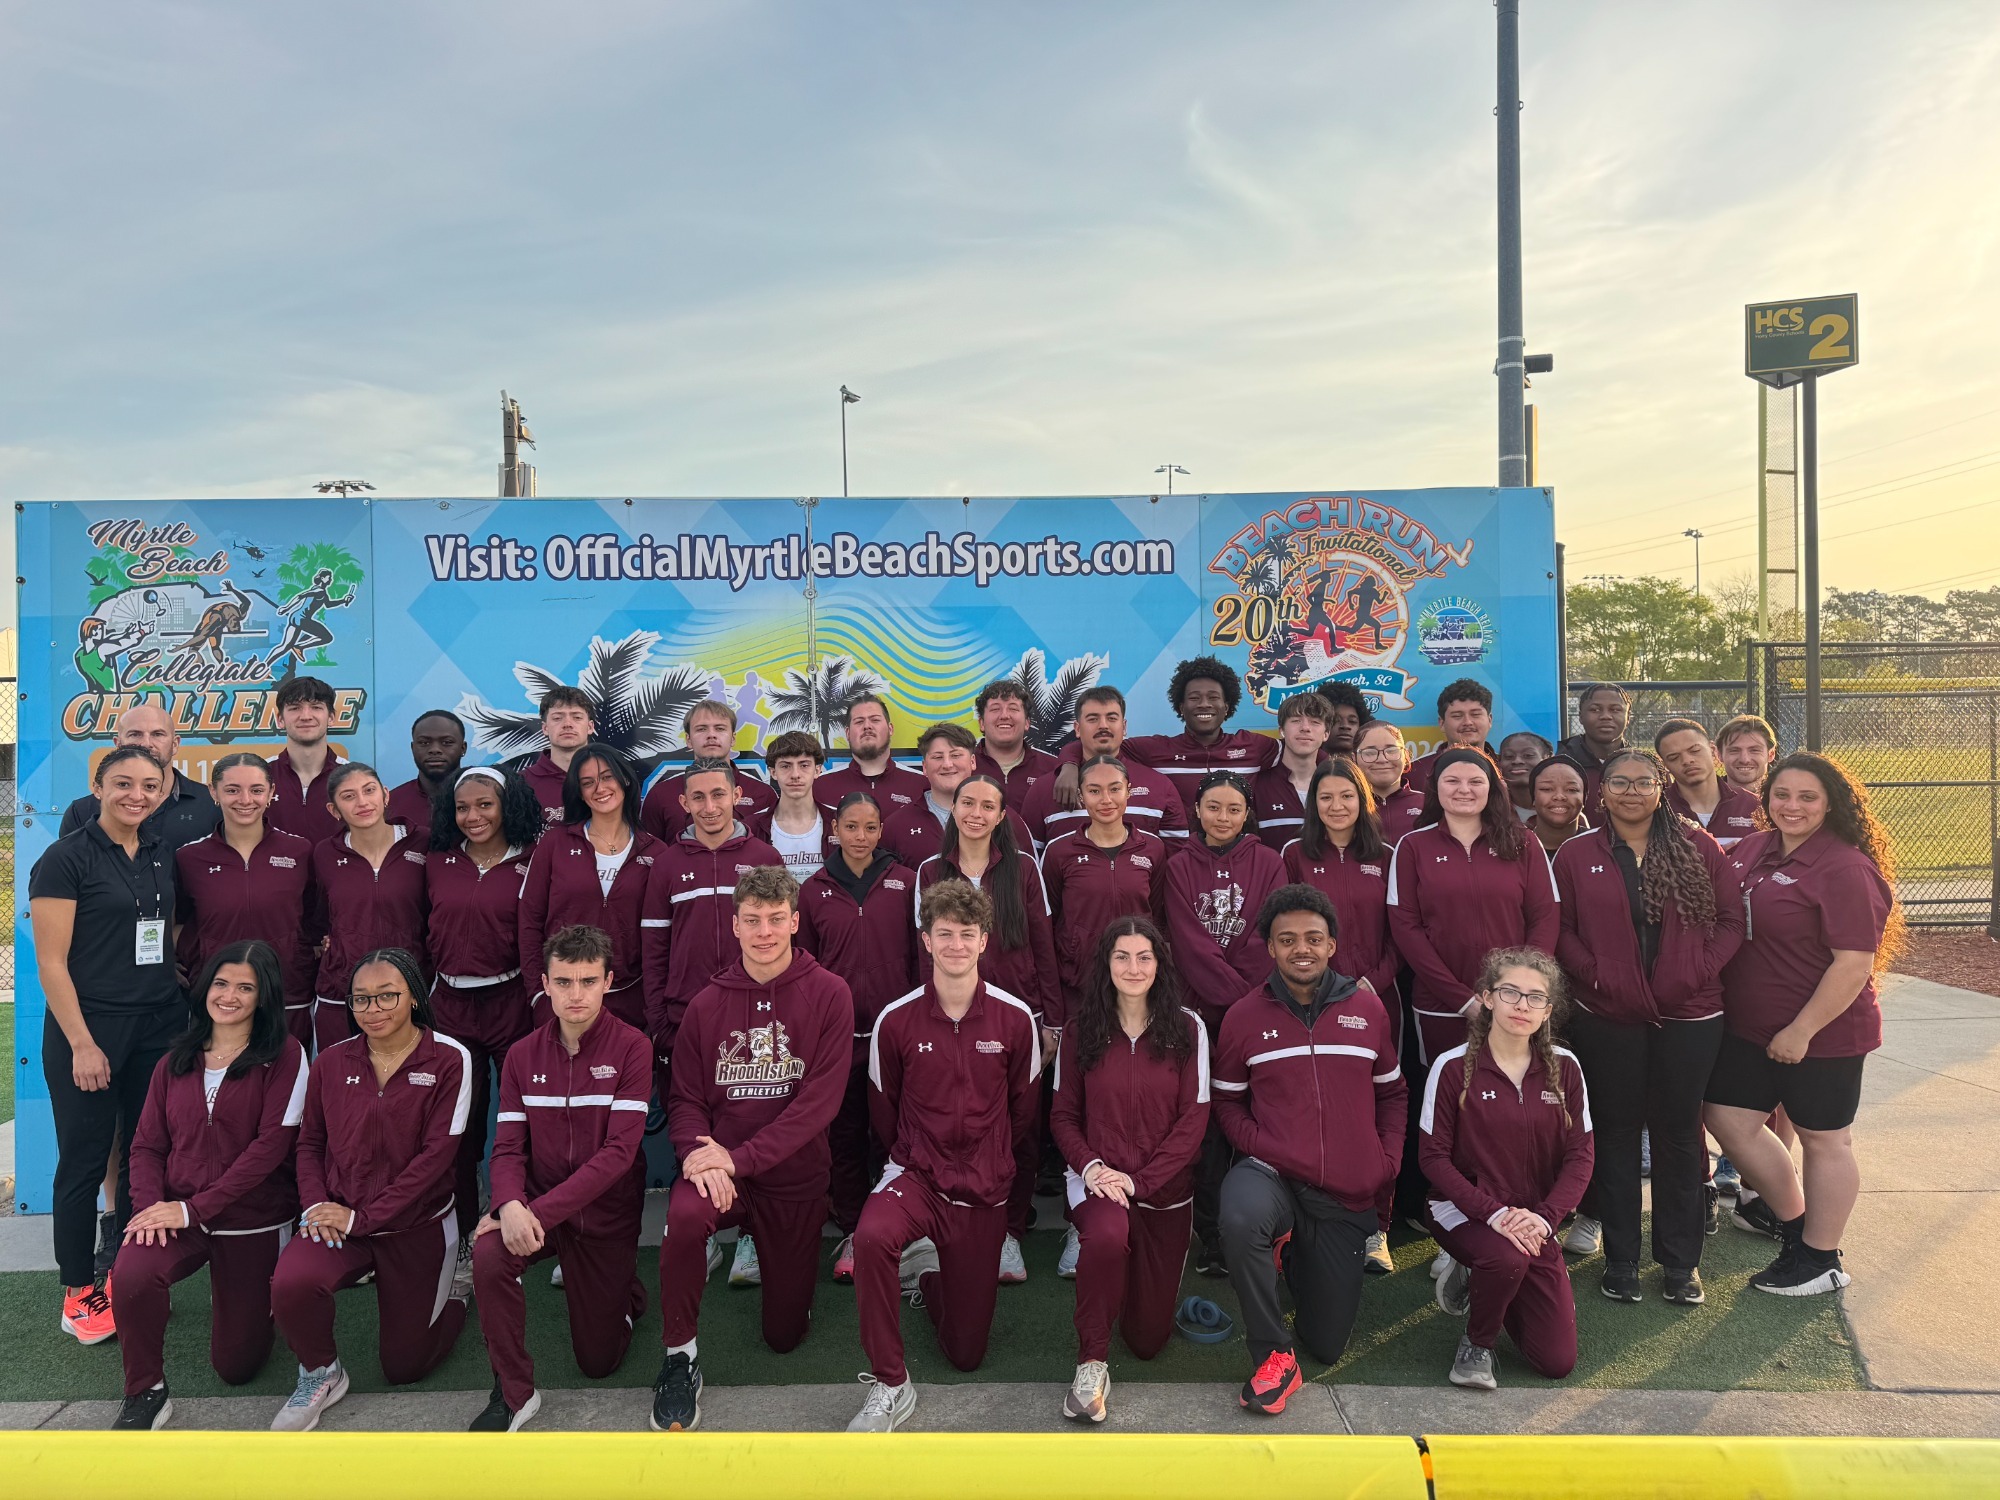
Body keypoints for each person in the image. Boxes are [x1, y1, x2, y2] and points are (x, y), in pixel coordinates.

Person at [653, 868, 855, 1432]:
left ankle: (785, 1279)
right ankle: (679, 1358)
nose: (764, 932)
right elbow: (687, 1098)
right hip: (722, 1173)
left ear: (794, 921)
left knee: (784, 1338)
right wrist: (699, 1157)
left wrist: (737, 1159)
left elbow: (817, 1105)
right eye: (752, 921)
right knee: (686, 1217)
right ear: (735, 925)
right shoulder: (707, 1004)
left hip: (792, 1176)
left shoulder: (830, 994)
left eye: (775, 920)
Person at [848, 879, 1041, 1433]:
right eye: (945, 934)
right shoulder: (897, 1019)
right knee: (871, 1236)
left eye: (967, 934)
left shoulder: (1013, 1018)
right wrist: (914, 1156)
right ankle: (890, 1383)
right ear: (926, 941)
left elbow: (1022, 1112)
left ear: (985, 941)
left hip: (983, 1187)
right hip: (917, 1175)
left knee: (966, 1352)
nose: (956, 944)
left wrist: (990, 1157)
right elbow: (883, 1111)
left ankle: (928, 1276)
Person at [1703, 753, 1899, 1296]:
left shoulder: (1846, 867)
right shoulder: (1754, 847)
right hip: (1749, 1028)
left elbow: (1854, 963)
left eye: (1807, 797)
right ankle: (1794, 1227)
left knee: (1824, 1139)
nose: (1792, 806)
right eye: (1781, 795)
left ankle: (1822, 1259)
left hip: (1822, 1033)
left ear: (1832, 802)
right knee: (1726, 1116)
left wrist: (1802, 1030)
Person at [1554, 749, 1743, 1305]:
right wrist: (1596, 977)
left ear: (1661, 787)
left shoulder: (1695, 846)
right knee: (1614, 1133)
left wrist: (1695, 972)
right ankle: (1620, 1259)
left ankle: (1681, 1265)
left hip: (1689, 1012)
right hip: (1608, 1014)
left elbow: (1732, 921)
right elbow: (1561, 929)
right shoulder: (1576, 853)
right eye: (1619, 782)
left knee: (1679, 1135)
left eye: (1643, 782)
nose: (1631, 791)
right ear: (1602, 789)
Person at [1213, 885, 1405, 1415]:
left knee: (1327, 1343)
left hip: (1343, 1190)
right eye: (1288, 939)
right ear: (1270, 949)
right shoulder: (1244, 1016)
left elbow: (1392, 1092)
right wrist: (1267, 1147)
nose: (1302, 948)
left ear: (1332, 945)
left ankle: (1292, 1253)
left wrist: (1385, 1163)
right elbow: (1228, 1106)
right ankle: (1275, 1353)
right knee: (1240, 1213)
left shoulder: (1366, 1008)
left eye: (1313, 938)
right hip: (1270, 1173)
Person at [269, 948, 471, 1431]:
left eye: (387, 997)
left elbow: (435, 1160)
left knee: (405, 1367)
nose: (373, 1010)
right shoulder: (332, 1062)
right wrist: (318, 1204)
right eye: (361, 1000)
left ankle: (460, 1293)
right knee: (291, 1281)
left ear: (415, 998)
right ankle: (321, 1372)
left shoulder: (450, 1059)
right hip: (341, 1217)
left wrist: (364, 1218)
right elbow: (311, 1142)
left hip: (417, 1226)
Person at [109, 941, 309, 1430]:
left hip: (254, 1217)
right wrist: (151, 1207)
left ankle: (262, 1298)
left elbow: (270, 1149)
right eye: (221, 983)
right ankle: (146, 1393)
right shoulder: (174, 1060)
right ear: (205, 989)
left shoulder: (285, 1055)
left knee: (235, 1368)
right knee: (133, 1269)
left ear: (264, 997)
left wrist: (191, 1209)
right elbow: (146, 1147)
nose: (230, 996)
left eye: (246, 987)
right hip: (181, 1213)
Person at [471, 924, 653, 1433]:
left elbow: (619, 1154)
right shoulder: (522, 1056)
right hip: (536, 1210)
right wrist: (507, 1205)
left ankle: (623, 1295)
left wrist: (535, 1213)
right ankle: (513, 1392)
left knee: (599, 1362)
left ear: (608, 982)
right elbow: (505, 1148)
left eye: (588, 981)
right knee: (489, 1256)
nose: (577, 994)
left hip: (603, 1216)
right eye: (565, 982)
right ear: (545, 985)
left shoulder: (633, 1048)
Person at [31, 746, 181, 1344]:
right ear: (98, 787)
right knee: (85, 1160)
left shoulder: (160, 854)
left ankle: (128, 1275)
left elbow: (166, 932)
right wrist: (81, 1044)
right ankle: (79, 1291)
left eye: (149, 785)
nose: (136, 795)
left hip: (156, 1026)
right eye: (123, 783)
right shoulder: (64, 858)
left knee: (145, 1155)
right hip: (89, 1030)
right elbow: (49, 962)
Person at [1050, 917, 1209, 1422]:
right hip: (1100, 1182)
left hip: (1164, 1193)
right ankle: (1091, 1362)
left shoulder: (1188, 1028)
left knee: (1146, 1341)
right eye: (1122, 956)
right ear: (1107, 964)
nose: (1133, 967)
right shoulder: (1081, 1031)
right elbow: (1062, 1115)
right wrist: (1093, 1167)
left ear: (1160, 965)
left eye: (1144, 957)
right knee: (1105, 1237)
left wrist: (1142, 1181)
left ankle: (1125, 1293)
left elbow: (1194, 1120)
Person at [1420, 949, 1593, 1391]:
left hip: (1535, 1221)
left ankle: (1488, 1278)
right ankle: (1477, 1345)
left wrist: (1545, 1217)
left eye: (1536, 997)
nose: (1522, 1005)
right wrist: (1494, 1214)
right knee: (1504, 1256)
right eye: (1510, 992)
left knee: (1555, 1362)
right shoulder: (1452, 1066)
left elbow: (1581, 1156)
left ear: (1548, 1010)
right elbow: (1433, 1159)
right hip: (1464, 1212)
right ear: (1487, 998)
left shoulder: (1566, 1068)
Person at [914, 772, 1059, 1279]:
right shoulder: (931, 871)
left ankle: (1010, 1233)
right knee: (956, 1123)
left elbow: (1043, 944)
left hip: (1019, 1017)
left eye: (987, 806)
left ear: (1002, 816)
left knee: (1019, 1128)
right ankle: (947, 1222)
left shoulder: (1023, 869)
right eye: (966, 802)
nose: (975, 812)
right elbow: (923, 953)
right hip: (951, 1019)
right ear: (953, 809)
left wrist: (1051, 1022)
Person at [1164, 770, 1287, 1275]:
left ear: (1246, 813)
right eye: (1213, 807)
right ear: (1197, 810)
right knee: (1207, 1125)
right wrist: (1238, 1000)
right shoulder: (1176, 866)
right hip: (1199, 1017)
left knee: (1253, 1120)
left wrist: (1247, 1004)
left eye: (1233, 809)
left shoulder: (1269, 862)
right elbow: (1190, 946)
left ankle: (1259, 1231)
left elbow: (1267, 937)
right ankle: (1212, 1234)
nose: (1223, 818)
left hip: (1257, 1014)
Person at [1281, 757, 1401, 1274]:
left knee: (1374, 1113)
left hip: (1377, 997)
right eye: (1325, 797)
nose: (1336, 806)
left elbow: (1404, 930)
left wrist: (1374, 980)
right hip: (1308, 1001)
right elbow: (1284, 929)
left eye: (1347, 796)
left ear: (1364, 801)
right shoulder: (1292, 854)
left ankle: (1378, 1228)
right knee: (1315, 1110)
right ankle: (1308, 1223)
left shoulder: (1391, 855)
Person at [795, 792, 921, 1284]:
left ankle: (900, 1226)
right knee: (844, 1135)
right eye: (852, 826)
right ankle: (851, 1227)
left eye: (871, 827)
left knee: (894, 1134)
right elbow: (804, 968)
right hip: (839, 1039)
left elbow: (919, 957)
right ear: (835, 830)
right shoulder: (814, 890)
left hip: (895, 1035)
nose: (861, 836)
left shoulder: (905, 882)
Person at [426, 765, 544, 1243]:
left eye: (484, 805)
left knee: (522, 1115)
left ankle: (525, 1214)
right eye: (462, 807)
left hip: (511, 1000)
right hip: (450, 1005)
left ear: (507, 805)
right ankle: (465, 1226)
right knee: (460, 1123)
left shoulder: (533, 861)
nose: (472, 816)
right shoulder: (436, 860)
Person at [1387, 748, 1560, 1068]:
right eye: (1452, 780)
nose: (1464, 789)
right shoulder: (1412, 847)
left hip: (1516, 1004)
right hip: (1440, 1006)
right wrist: (1462, 999)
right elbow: (1406, 929)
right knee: (1448, 1100)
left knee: (1514, 1094)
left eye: (1475, 781)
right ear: (1435, 787)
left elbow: (1545, 916)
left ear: (1492, 788)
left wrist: (1519, 987)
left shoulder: (1523, 841)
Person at [642, 760, 783, 1120]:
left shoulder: (765, 859)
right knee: (690, 1122)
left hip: (755, 1016)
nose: (709, 807)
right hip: (685, 1018)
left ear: (736, 795)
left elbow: (783, 943)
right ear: (683, 803)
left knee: (750, 1122)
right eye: (698, 797)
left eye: (719, 794)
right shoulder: (666, 865)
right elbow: (655, 948)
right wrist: (659, 1024)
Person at [174, 752, 320, 1046]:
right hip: (218, 996)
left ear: (271, 793)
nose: (245, 800)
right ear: (213, 792)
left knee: (286, 1082)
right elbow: (176, 921)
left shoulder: (299, 851)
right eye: (232, 790)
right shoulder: (188, 857)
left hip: (287, 993)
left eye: (256, 790)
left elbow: (315, 918)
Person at [519, 744, 663, 1033]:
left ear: (624, 779)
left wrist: (651, 1001)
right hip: (563, 999)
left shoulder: (656, 851)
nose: (600, 788)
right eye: (588, 782)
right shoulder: (555, 844)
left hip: (629, 998)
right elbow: (528, 920)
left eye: (607, 777)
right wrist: (538, 992)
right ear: (579, 792)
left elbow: (661, 935)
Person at [309, 762, 430, 1055]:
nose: (362, 802)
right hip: (343, 994)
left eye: (369, 790)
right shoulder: (324, 854)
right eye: (349, 796)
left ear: (386, 795)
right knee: (343, 1084)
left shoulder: (423, 842)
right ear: (334, 810)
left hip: (409, 989)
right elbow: (320, 920)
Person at [1042, 756, 1170, 1033]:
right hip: (1079, 986)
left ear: (1129, 791)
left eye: (1114, 789)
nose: (1106, 799)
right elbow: (1049, 925)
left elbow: (1157, 918)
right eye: (1094, 790)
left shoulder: (1153, 849)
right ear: (1080, 795)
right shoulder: (1058, 852)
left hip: (1137, 985)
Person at [1020, 687, 1189, 849]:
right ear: (1077, 729)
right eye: (1093, 719)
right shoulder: (1044, 789)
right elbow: (1030, 860)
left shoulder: (1159, 786)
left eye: (1112, 718)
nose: (1103, 726)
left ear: (1124, 727)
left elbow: (1176, 858)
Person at [1119, 656, 1279, 816]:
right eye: (1194, 698)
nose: (1204, 704)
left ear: (1226, 707)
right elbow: (1105, 750)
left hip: (1241, 841)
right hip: (1179, 841)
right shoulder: (1153, 750)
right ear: (1181, 707)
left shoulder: (1253, 746)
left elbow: (1297, 752)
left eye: (1213, 697)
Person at [57, 701, 220, 854]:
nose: (146, 743)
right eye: (135, 734)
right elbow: (66, 876)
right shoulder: (82, 811)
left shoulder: (213, 805)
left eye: (158, 734)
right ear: (118, 743)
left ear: (175, 744)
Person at [881, 722, 1035, 869]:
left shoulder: (1005, 818)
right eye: (937, 757)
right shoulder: (896, 826)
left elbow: (1027, 880)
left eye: (956, 755)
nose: (947, 764)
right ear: (925, 767)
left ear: (973, 762)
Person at [640, 699, 778, 841]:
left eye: (720, 728)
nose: (711, 735)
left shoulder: (763, 794)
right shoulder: (660, 795)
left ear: (733, 739)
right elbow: (652, 855)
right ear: (688, 739)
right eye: (701, 729)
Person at [813, 695, 930, 818]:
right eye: (859, 721)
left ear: (890, 729)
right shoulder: (821, 786)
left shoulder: (921, 785)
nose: (867, 726)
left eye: (875, 720)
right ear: (847, 733)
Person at [1656, 718, 1762, 850]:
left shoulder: (1755, 806)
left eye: (1694, 751)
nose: (1687, 760)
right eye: (1674, 757)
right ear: (1664, 764)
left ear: (1713, 750)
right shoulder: (1657, 810)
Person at [265, 676, 345, 846]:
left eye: (316, 707)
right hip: (275, 872)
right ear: (280, 719)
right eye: (295, 708)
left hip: (337, 872)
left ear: (331, 717)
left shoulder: (353, 776)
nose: (306, 716)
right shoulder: (260, 775)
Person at [1250, 693, 1334, 851]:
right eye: (1296, 721)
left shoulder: (1339, 783)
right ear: (1281, 729)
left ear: (1326, 734)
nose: (1305, 728)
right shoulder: (1257, 784)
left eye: (1315, 722)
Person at [973, 678, 1059, 804]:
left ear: (1027, 723)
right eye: (995, 709)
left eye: (1013, 709)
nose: (1004, 716)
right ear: (981, 723)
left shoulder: (1054, 769)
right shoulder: (961, 766)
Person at [1405, 679, 1497, 796]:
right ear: (1442, 723)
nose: (1467, 722)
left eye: (1475, 715)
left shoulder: (1506, 769)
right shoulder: (1416, 772)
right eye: (1457, 716)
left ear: (1490, 720)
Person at [519, 686, 598, 823]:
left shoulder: (612, 778)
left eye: (577, 717)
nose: (567, 724)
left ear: (590, 727)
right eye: (557, 718)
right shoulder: (521, 783)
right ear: (545, 728)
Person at [1557, 682, 1633, 814]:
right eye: (1595, 710)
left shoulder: (1642, 766)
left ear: (1628, 718)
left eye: (1615, 709)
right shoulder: (1560, 765)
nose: (1606, 716)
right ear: (1580, 717)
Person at [386, 710, 469, 830]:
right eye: (424, 742)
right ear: (412, 748)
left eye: (447, 742)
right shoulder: (392, 804)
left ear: (463, 748)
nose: (435, 749)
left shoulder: (484, 799)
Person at [763, 730, 827, 883]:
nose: (795, 774)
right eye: (785, 766)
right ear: (773, 772)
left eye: (804, 765)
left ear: (817, 770)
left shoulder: (839, 823)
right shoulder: (753, 828)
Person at [1355, 719, 1427, 844]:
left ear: (1406, 756)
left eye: (1391, 751)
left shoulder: (1428, 804)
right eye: (1370, 752)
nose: (1382, 759)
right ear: (1354, 759)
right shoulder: (1347, 807)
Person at [1527, 754, 1591, 859]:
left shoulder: (1603, 848)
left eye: (1572, 789)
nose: (1559, 796)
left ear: (1584, 799)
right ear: (1533, 797)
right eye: (1546, 789)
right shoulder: (1515, 849)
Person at [1497, 732, 1554, 822]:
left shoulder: (1561, 806)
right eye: (1509, 756)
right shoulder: (1491, 810)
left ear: (1547, 759)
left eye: (1528, 755)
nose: (1517, 761)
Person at [1716, 714, 1780, 795]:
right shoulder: (1703, 800)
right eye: (1734, 750)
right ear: (1719, 755)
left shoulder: (1785, 801)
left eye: (1754, 750)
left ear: (1771, 754)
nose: (1744, 760)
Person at [1319, 681, 1372, 756]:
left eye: (1352, 721)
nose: (1345, 726)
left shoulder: (1371, 765)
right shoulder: (1305, 766)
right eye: (1336, 720)